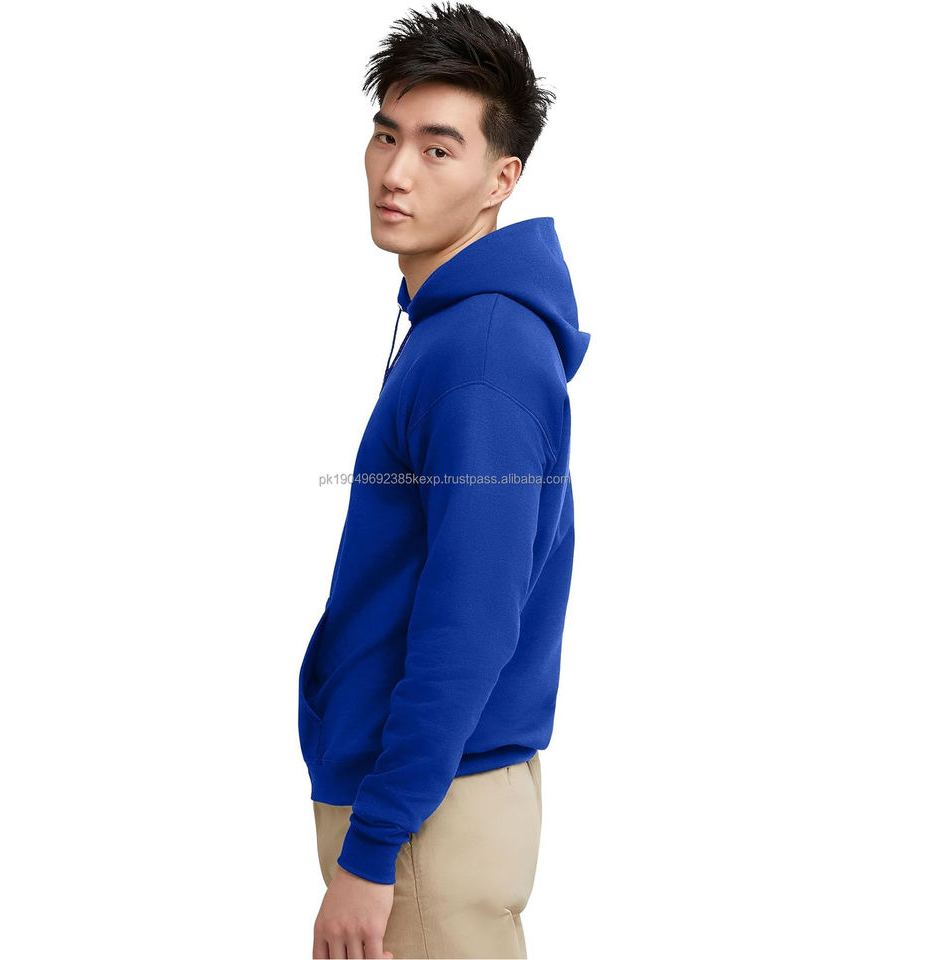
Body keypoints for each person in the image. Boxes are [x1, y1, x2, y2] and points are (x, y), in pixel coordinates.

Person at [298, 3, 590, 957]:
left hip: (426, 822)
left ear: (502, 178)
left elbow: (472, 619)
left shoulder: (483, 356)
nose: (395, 173)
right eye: (386, 136)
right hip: (426, 800)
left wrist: (374, 849)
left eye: (437, 148)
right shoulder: (456, 332)